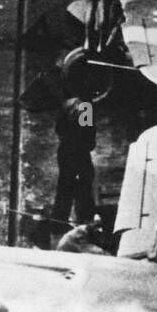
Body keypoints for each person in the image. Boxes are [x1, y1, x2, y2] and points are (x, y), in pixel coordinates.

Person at [51, 96, 98, 236]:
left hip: (64, 150)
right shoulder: (85, 107)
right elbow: (87, 136)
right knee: (84, 186)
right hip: (79, 152)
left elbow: (58, 128)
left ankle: (58, 224)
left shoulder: (66, 103)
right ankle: (85, 222)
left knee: (64, 187)